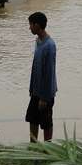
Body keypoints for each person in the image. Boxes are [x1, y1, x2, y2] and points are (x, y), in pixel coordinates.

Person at [25, 11, 57, 142]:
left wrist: (44, 98)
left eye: (31, 25)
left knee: (46, 122)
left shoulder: (49, 46)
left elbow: (49, 73)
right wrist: (32, 87)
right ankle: (33, 146)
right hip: (36, 91)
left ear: (37, 25)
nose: (29, 27)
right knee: (32, 118)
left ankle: (48, 149)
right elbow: (35, 66)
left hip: (46, 93)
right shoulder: (38, 41)